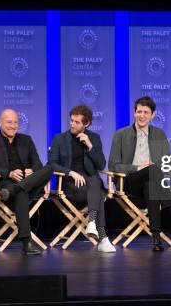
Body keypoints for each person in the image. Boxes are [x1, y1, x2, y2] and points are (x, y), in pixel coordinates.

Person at [108, 96, 171, 251]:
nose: (142, 115)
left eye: (145, 112)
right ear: (134, 113)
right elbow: (113, 165)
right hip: (129, 182)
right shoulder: (121, 134)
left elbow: (166, 163)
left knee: (151, 185)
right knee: (152, 170)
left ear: (153, 115)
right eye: (139, 112)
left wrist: (155, 167)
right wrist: (137, 167)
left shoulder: (159, 134)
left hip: (152, 182)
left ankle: (156, 239)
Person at [0, 108, 53, 255]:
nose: (13, 126)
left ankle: (17, 188)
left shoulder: (26, 140)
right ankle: (27, 242)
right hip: (5, 184)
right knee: (21, 193)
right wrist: (9, 173)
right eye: (9, 122)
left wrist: (31, 170)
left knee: (50, 167)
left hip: (25, 185)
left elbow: (38, 163)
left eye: (15, 122)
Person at [48, 105, 115, 253]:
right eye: (71, 121)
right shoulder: (59, 139)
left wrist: (90, 146)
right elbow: (51, 164)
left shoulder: (94, 138)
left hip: (91, 185)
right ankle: (103, 237)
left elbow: (101, 165)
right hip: (71, 186)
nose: (72, 124)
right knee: (98, 190)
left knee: (96, 182)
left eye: (77, 122)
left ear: (87, 124)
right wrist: (70, 172)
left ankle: (92, 223)